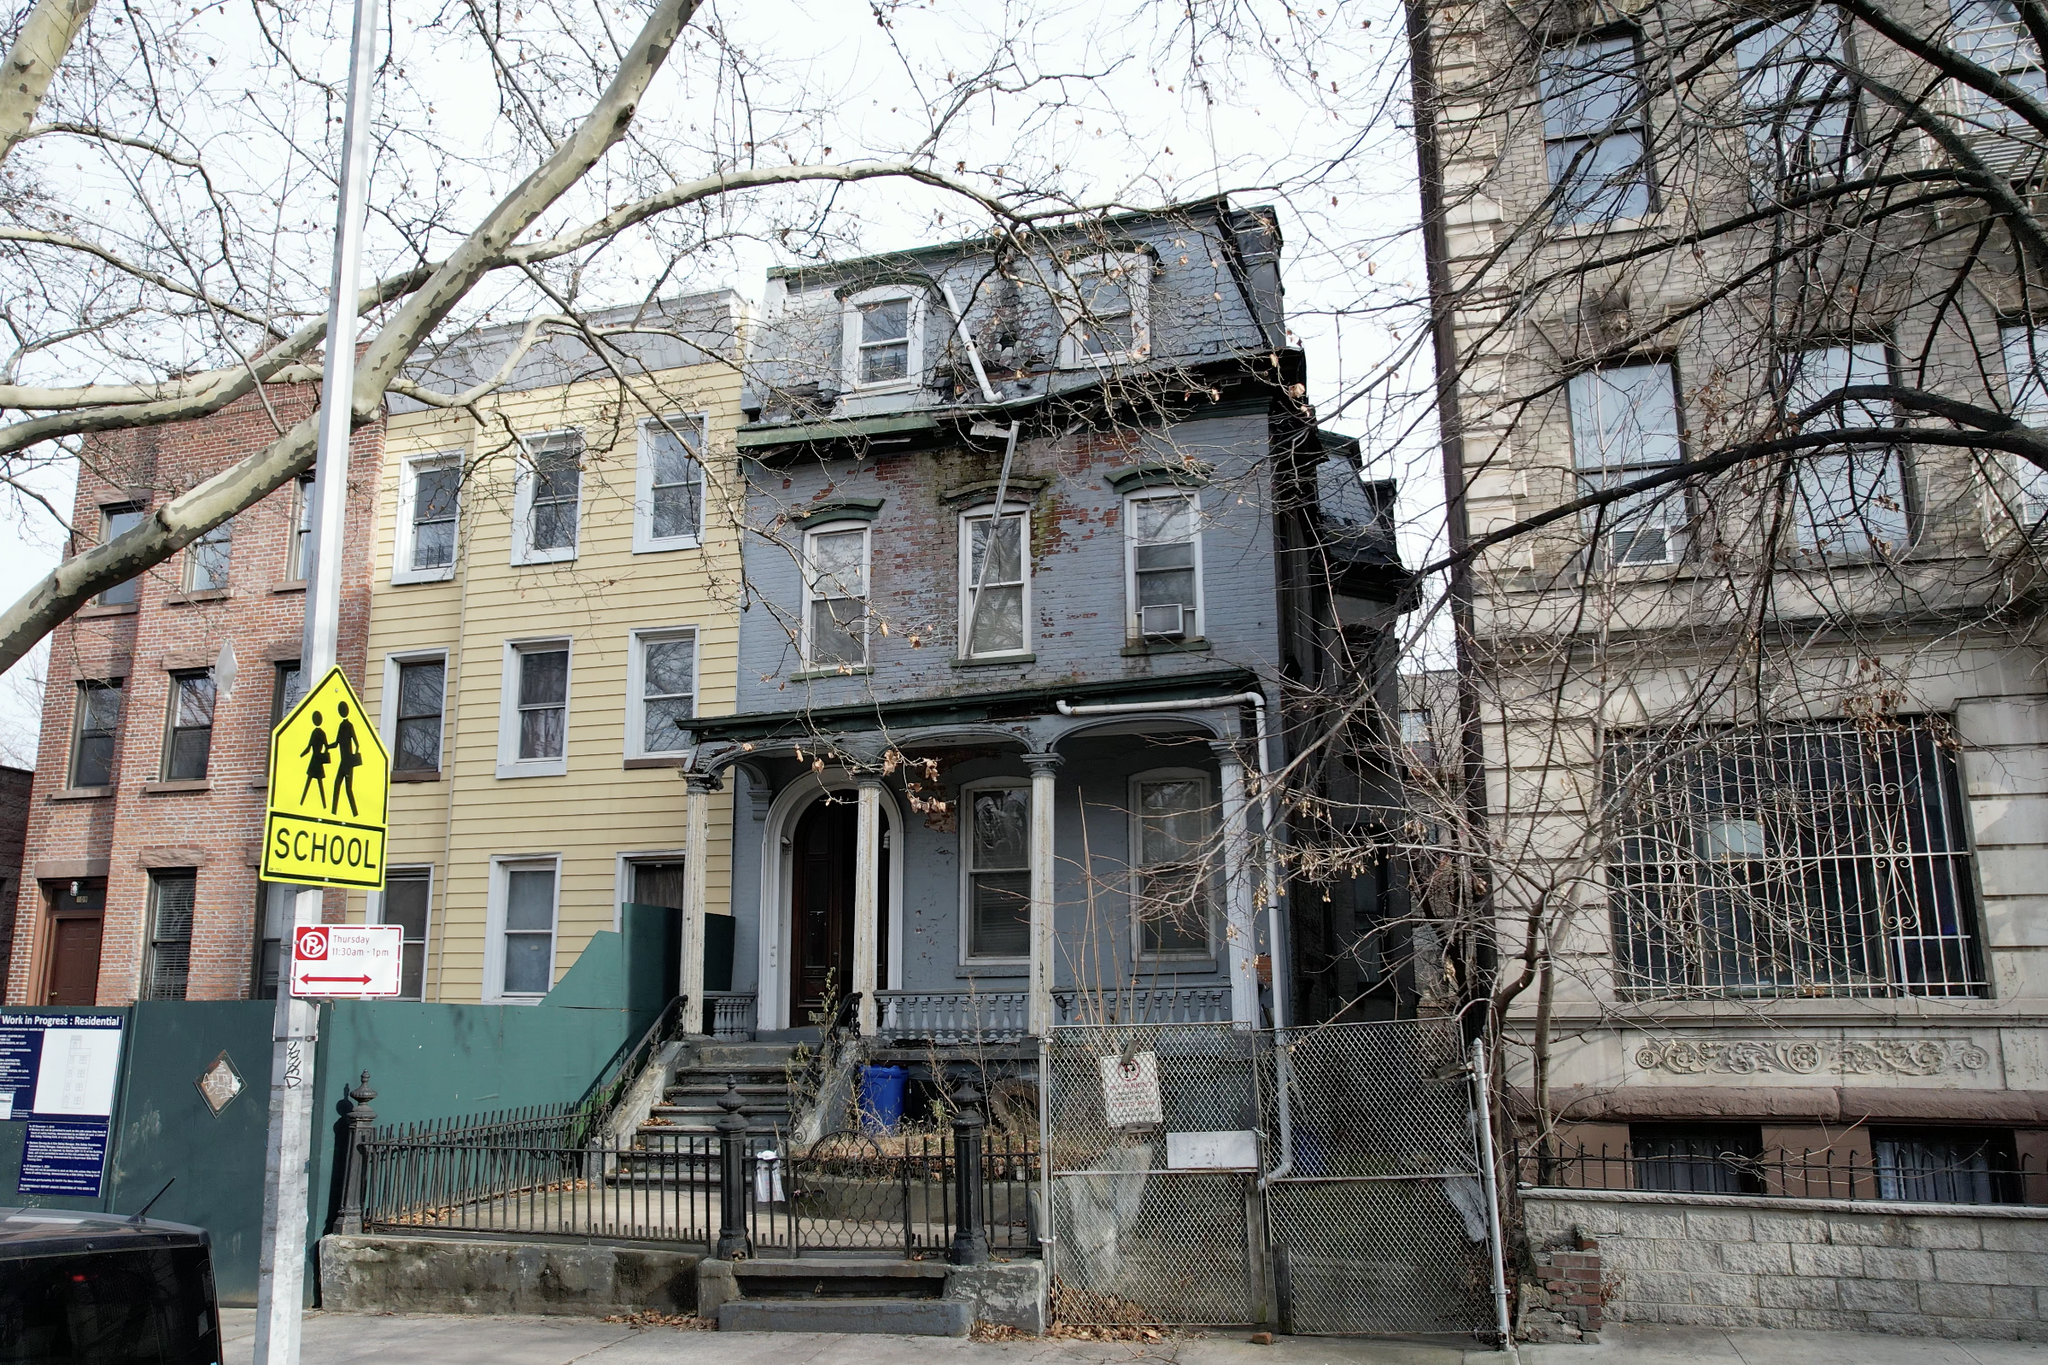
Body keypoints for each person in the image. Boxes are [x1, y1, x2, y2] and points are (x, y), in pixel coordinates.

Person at [332, 701, 362, 817]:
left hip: (347, 762)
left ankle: (355, 814)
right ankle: (334, 812)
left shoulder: (349, 725)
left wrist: (354, 756)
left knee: (348, 789)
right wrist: (327, 746)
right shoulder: (341, 725)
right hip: (343, 761)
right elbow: (336, 743)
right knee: (337, 785)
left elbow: (357, 742)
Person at [298, 711, 331, 807]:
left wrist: (301, 755)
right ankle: (324, 804)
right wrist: (324, 754)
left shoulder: (315, 733)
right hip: (318, 760)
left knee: (310, 782)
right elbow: (326, 746)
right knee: (319, 783)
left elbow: (309, 747)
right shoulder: (322, 733)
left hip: (314, 760)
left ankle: (302, 802)